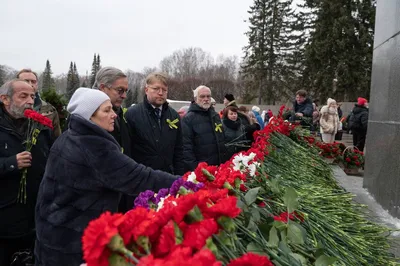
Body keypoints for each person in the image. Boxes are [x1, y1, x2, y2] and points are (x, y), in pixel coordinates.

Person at [35, 88, 178, 266]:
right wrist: (185, 182)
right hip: (74, 241)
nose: (114, 115)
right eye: (106, 110)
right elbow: (138, 177)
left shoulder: (69, 136)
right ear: (90, 116)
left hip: (52, 233)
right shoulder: (94, 146)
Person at [0, 79, 53, 266]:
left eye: (32, 96)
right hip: (5, 220)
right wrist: (10, 163)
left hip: (36, 217)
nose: (30, 101)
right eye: (23, 96)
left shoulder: (40, 128)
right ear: (5, 99)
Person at [125, 72, 184, 175]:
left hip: (168, 177)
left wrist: (179, 178)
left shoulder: (174, 116)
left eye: (164, 90)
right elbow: (127, 151)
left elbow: (178, 150)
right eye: (156, 89)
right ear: (146, 90)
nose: (161, 93)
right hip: (142, 177)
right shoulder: (132, 114)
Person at [182, 85, 226, 171]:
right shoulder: (188, 119)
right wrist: (197, 170)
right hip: (202, 171)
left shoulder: (215, 116)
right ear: (195, 99)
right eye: (202, 96)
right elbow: (186, 149)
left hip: (219, 168)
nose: (206, 99)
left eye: (208, 96)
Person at [94, 66, 132, 158]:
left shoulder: (120, 113)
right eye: (120, 90)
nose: (124, 96)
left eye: (126, 91)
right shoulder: (85, 116)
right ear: (103, 88)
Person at [17, 69, 61, 138]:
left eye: (33, 82)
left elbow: (56, 139)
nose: (30, 84)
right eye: (26, 81)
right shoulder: (7, 108)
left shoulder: (49, 110)